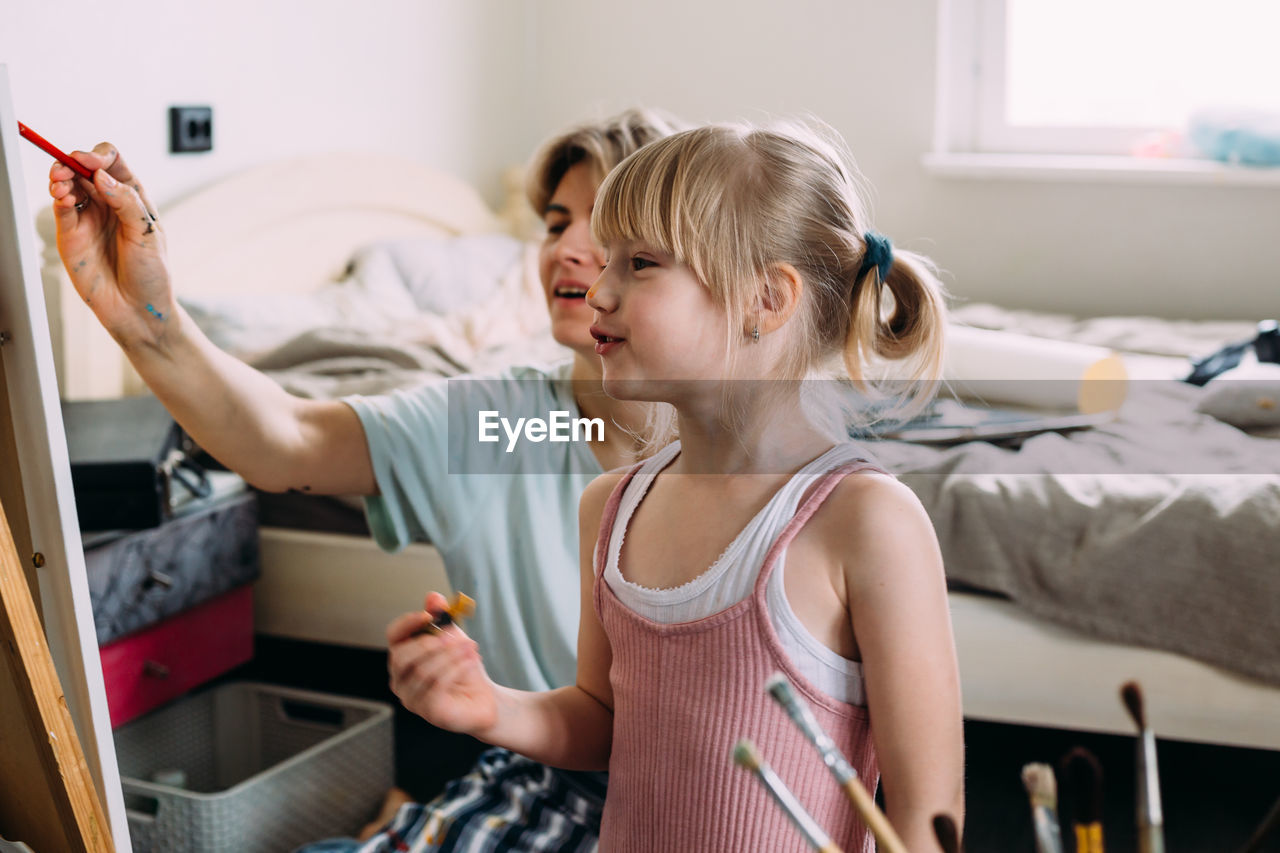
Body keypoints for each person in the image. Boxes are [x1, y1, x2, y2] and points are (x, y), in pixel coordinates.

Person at [47, 108, 685, 851]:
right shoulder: (507, 424)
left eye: (603, 222)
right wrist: (147, 321)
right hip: (543, 788)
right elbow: (287, 439)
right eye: (553, 222)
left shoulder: (749, 443)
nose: (569, 249)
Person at [387, 120, 966, 852]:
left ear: (766, 299)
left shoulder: (864, 521)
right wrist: (489, 707)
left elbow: (928, 813)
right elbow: (601, 719)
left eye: (639, 264)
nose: (597, 289)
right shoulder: (611, 507)